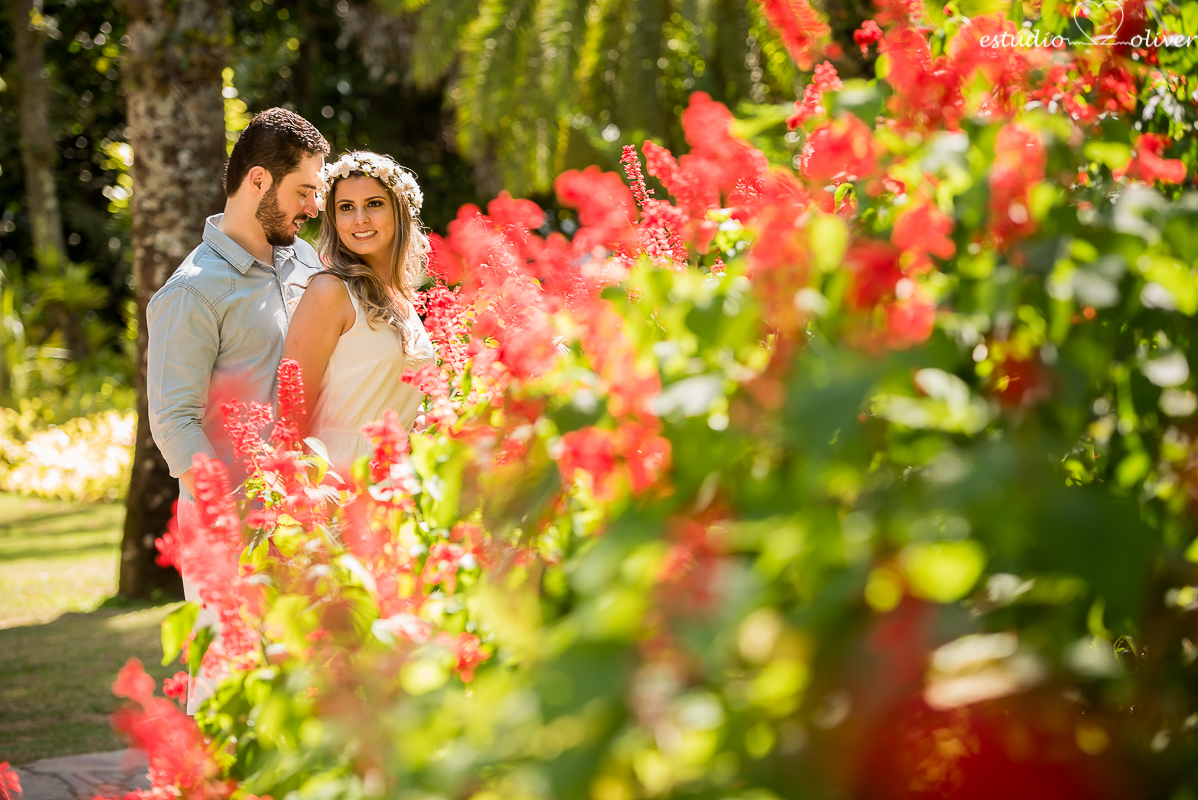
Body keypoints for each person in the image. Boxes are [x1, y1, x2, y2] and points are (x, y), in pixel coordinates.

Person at [146, 107, 330, 713]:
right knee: (227, 687)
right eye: (304, 191)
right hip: (230, 526)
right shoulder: (192, 291)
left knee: (304, 685)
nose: (314, 207)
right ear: (258, 182)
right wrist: (231, 513)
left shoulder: (306, 264)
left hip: (306, 513)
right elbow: (173, 420)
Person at [282, 151, 435, 470]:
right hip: (338, 483)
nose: (359, 219)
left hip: (396, 489)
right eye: (346, 208)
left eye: (374, 204)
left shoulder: (403, 300)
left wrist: (419, 419)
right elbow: (290, 415)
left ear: (399, 210)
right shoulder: (330, 291)